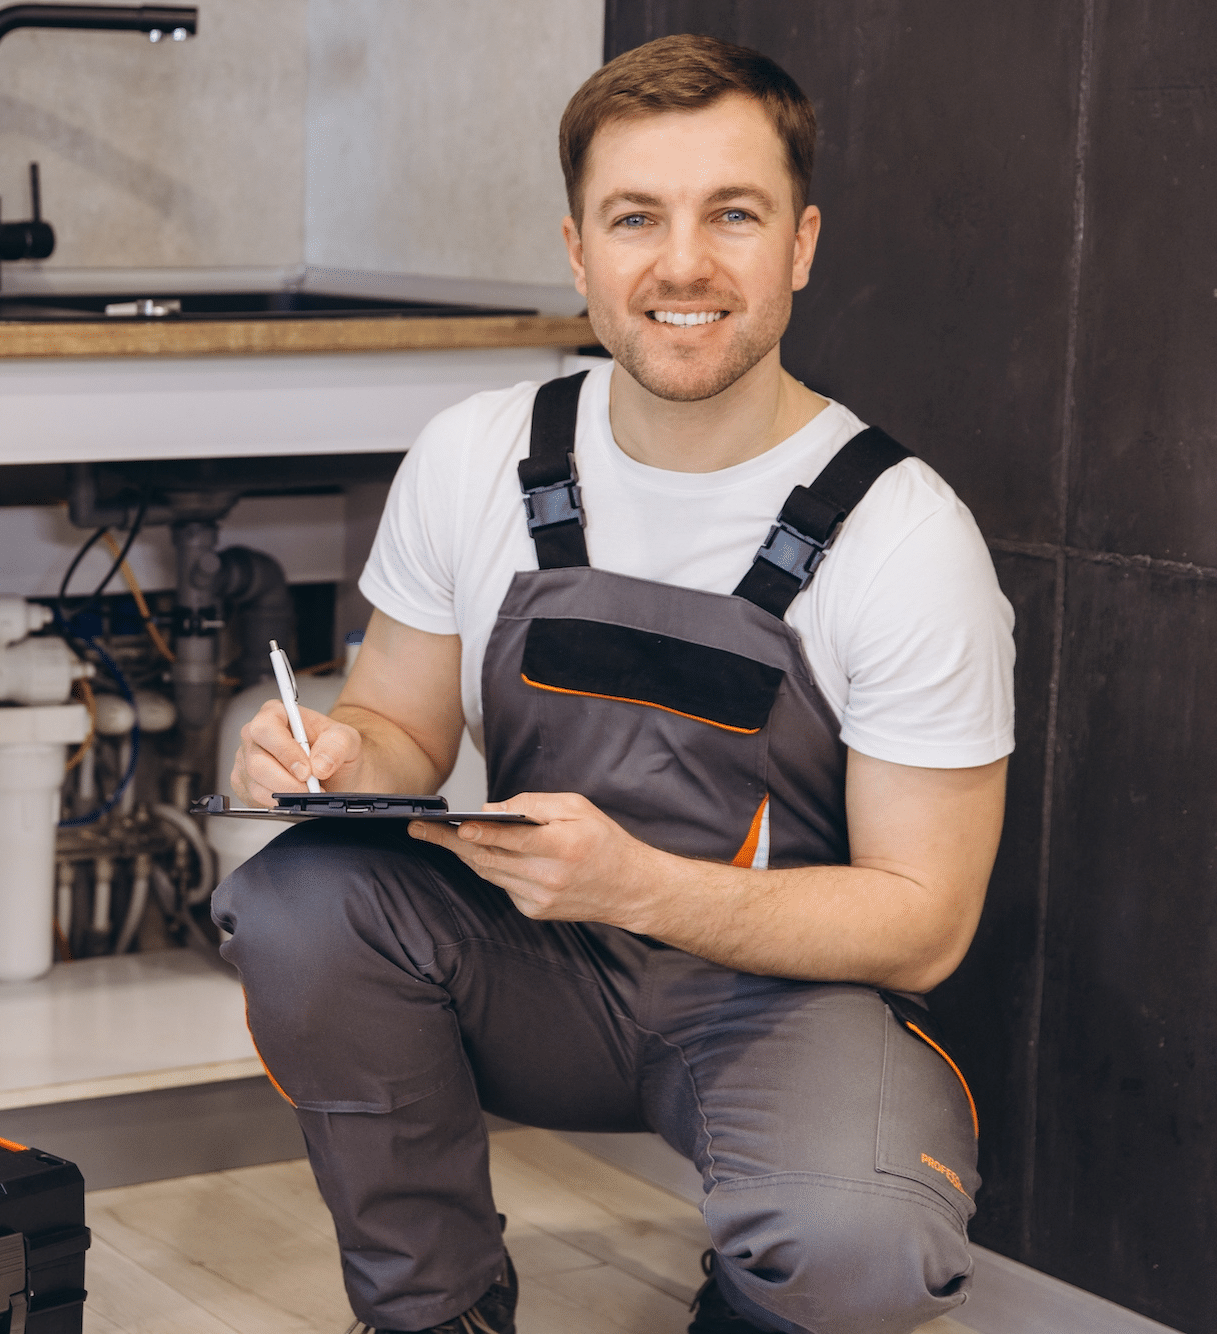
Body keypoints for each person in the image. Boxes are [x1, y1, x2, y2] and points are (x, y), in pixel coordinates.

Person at [214, 33, 1014, 1334]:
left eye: (733, 215)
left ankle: (763, 1284)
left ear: (801, 245)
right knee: (302, 902)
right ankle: (439, 1308)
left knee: (860, 1251)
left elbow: (925, 921)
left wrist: (641, 883)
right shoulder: (478, 454)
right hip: (535, 967)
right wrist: (332, 753)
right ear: (580, 251)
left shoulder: (905, 534)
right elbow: (398, 724)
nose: (683, 263)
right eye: (636, 217)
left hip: (777, 1009)